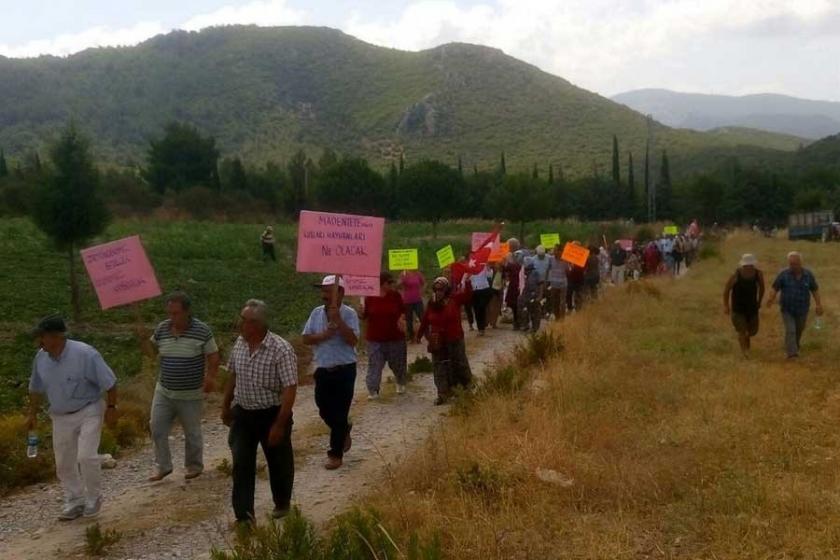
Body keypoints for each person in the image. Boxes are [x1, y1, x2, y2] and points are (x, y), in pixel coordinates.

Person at [27, 315, 118, 521]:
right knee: (64, 462)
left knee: (85, 456)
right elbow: (35, 388)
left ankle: (94, 497)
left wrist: (112, 408)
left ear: (55, 337)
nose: (39, 341)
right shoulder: (40, 358)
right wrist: (31, 414)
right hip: (60, 415)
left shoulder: (86, 354)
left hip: (89, 409)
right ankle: (75, 499)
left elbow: (110, 383)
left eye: (42, 336)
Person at [222, 300, 297, 523]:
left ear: (261, 324)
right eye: (242, 320)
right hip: (243, 414)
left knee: (279, 462)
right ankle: (244, 516)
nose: (243, 325)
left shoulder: (280, 349)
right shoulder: (239, 345)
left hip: (272, 413)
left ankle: (282, 503)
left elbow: (290, 388)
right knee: (241, 464)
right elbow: (232, 375)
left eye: (249, 322)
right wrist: (225, 405)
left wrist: (280, 424)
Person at [148, 292, 220, 482]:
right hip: (164, 390)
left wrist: (210, 377)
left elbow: (213, 356)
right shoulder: (162, 329)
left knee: (192, 431)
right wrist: (143, 342)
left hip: (190, 393)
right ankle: (163, 466)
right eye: (170, 313)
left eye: (177, 313)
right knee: (157, 428)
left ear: (187, 312)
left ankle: (194, 465)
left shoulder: (202, 331)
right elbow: (152, 350)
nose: (173, 317)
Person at [302, 275, 360, 470]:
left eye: (329, 291)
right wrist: (323, 335)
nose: (324, 295)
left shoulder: (349, 313)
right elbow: (306, 338)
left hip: (345, 369)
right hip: (323, 369)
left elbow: (353, 340)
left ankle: (335, 454)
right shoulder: (316, 313)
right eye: (323, 291)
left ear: (340, 293)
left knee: (340, 411)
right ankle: (343, 429)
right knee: (323, 407)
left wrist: (339, 321)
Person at [416, 277, 473, 405]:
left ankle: (465, 389)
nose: (438, 292)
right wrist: (419, 335)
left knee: (459, 364)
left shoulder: (454, 299)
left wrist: (467, 281)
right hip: (438, 341)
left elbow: (468, 296)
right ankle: (442, 393)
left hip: (454, 338)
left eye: (441, 289)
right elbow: (425, 319)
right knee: (439, 366)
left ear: (446, 290)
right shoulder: (432, 303)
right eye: (436, 289)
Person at [766, 252, 824, 359]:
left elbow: (815, 290)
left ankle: (793, 345)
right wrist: (771, 298)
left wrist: (818, 304)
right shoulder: (784, 274)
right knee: (791, 330)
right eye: (791, 264)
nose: (793, 266)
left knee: (799, 330)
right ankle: (792, 354)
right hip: (787, 309)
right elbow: (775, 287)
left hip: (803, 309)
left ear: (801, 263)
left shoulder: (808, 275)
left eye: (795, 263)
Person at [362, 273, 408, 399]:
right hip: (375, 338)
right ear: (382, 284)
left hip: (395, 337)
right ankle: (373, 389)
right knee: (375, 364)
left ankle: (400, 381)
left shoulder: (395, 296)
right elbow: (365, 315)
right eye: (389, 283)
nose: (392, 285)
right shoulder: (370, 297)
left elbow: (403, 310)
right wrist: (360, 310)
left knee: (397, 363)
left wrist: (402, 319)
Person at [723, 254, 765, 356]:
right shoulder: (736, 275)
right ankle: (744, 352)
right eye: (747, 265)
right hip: (738, 307)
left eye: (751, 265)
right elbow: (726, 290)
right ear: (743, 265)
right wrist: (726, 306)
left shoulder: (758, 274)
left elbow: (762, 288)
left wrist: (759, 301)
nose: (749, 267)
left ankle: (747, 345)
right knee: (742, 330)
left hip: (752, 307)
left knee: (752, 331)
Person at [399, 269, 425, 342]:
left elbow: (424, 283)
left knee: (422, 318)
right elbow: (399, 285)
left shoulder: (418, 274)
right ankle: (411, 336)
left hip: (418, 299)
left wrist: (422, 291)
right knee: (408, 320)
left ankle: (424, 334)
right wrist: (402, 279)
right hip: (407, 300)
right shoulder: (403, 274)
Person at [518, 262, 543, 333]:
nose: (526, 271)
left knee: (535, 312)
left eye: (527, 270)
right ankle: (525, 325)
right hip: (526, 295)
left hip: (534, 295)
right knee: (524, 310)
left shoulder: (535, 274)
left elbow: (541, 284)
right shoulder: (524, 275)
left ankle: (535, 327)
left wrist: (540, 296)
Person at [469, 263, 493, 336]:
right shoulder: (471, 266)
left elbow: (490, 276)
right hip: (475, 290)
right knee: (476, 310)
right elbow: (467, 278)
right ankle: (480, 329)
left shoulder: (484, 265)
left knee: (481, 308)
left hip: (484, 289)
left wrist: (488, 268)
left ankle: (482, 327)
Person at [547, 244, 569, 320]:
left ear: (560, 251)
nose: (554, 252)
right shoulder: (551, 259)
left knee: (562, 302)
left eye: (556, 250)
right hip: (554, 284)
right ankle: (557, 317)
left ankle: (562, 318)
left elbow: (568, 271)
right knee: (555, 302)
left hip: (563, 284)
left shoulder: (566, 260)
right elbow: (548, 269)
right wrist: (547, 281)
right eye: (554, 250)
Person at [503, 253, 522, 329]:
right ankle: (517, 322)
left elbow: (504, 270)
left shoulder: (511, 265)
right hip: (518, 287)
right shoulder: (520, 266)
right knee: (517, 305)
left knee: (515, 306)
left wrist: (505, 262)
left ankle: (516, 322)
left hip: (514, 287)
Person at [487, 261, 504, 328]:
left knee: (496, 307)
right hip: (492, 290)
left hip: (498, 291)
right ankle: (490, 321)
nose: (498, 266)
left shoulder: (502, 272)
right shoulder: (491, 271)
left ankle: (493, 322)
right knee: (491, 306)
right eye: (497, 264)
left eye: (499, 264)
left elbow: (503, 281)